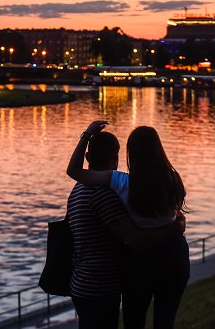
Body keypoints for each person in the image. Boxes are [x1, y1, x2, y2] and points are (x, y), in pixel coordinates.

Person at [67, 121, 189, 329]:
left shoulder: (120, 182)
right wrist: (176, 227)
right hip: (175, 254)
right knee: (165, 320)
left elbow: (74, 171)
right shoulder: (174, 179)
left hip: (141, 261)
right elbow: (176, 213)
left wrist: (86, 135)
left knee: (134, 320)